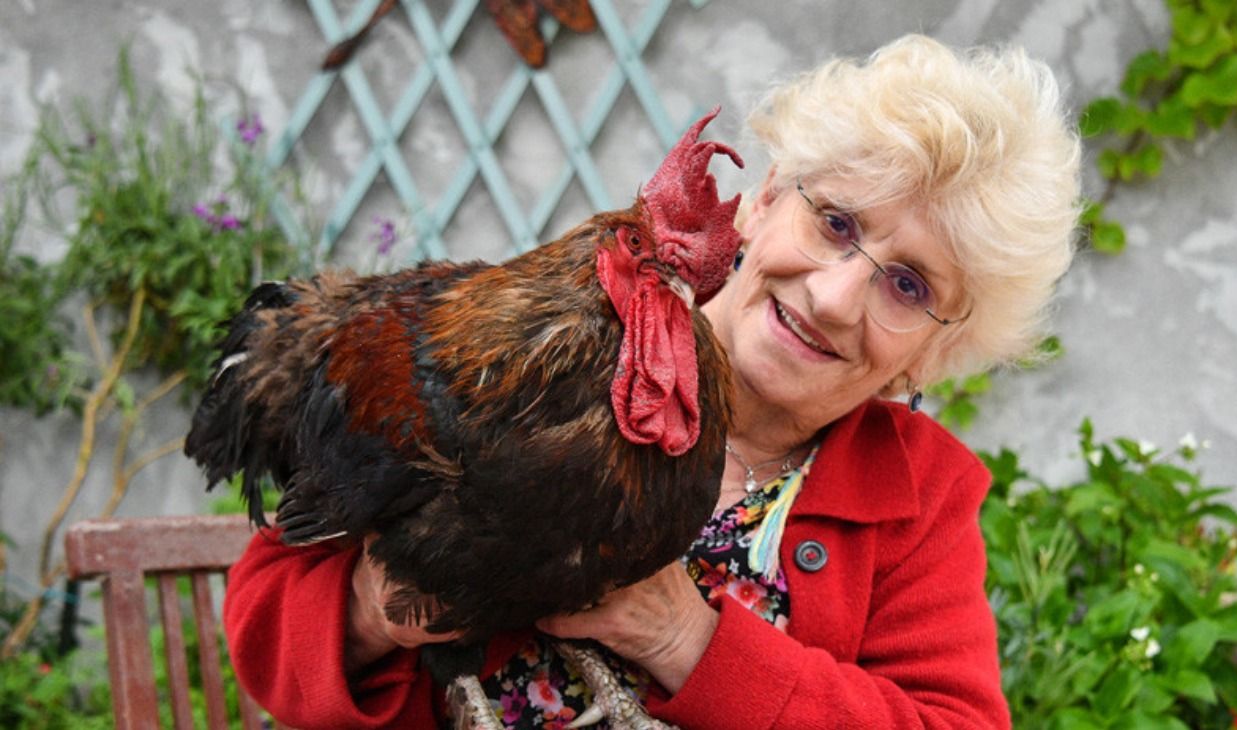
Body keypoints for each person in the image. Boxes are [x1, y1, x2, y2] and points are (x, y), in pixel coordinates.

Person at [224, 34, 1080, 729]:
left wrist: (689, 640)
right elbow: (268, 626)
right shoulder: (509, 363)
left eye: (908, 285)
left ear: (934, 350)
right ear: (765, 198)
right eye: (836, 223)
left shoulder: (917, 497)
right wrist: (375, 611)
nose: (832, 295)